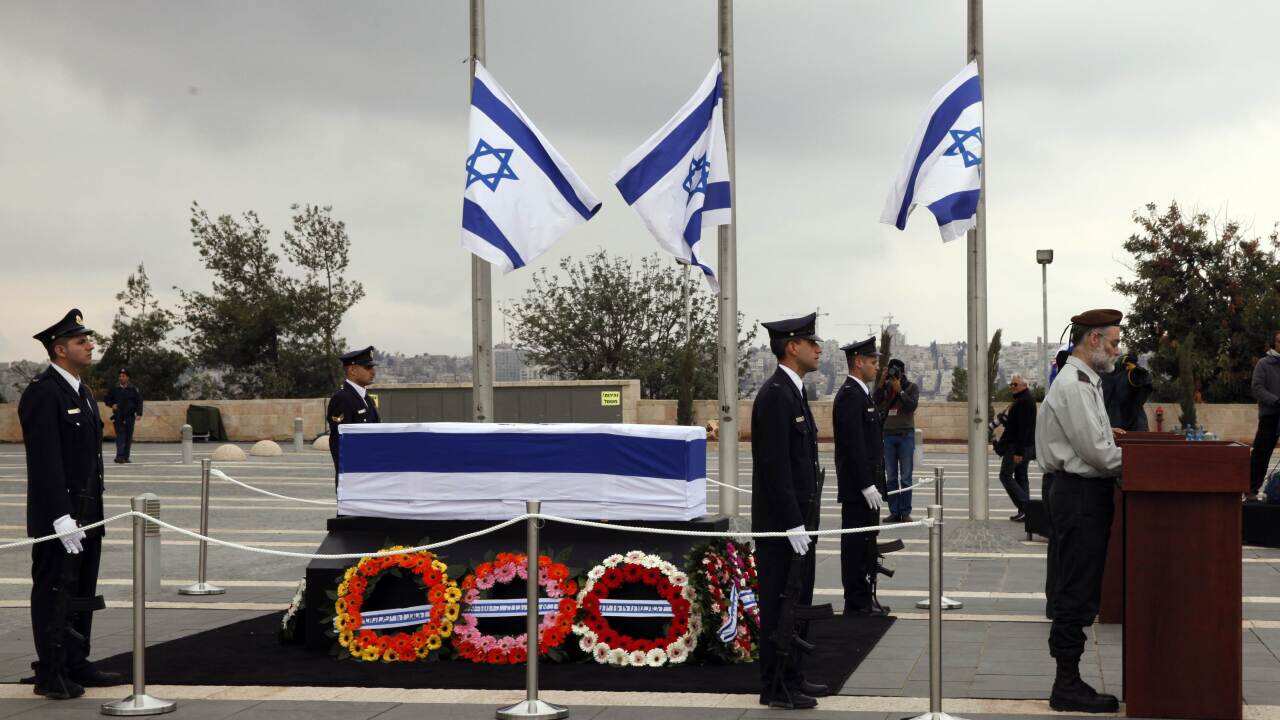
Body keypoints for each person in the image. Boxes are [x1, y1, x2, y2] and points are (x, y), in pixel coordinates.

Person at [18, 309, 122, 699]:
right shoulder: (43, 393)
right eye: (81, 342)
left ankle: (77, 660)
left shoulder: (82, 390)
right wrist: (59, 515)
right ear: (59, 349)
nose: (90, 345)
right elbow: (45, 460)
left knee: (81, 589)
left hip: (88, 511)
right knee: (54, 590)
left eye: (88, 339)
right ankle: (51, 671)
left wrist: (86, 513)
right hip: (59, 515)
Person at [1035, 309, 1125, 713]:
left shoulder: (1086, 381)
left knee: (1081, 587)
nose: (1117, 350)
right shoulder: (1073, 385)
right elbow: (1099, 454)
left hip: (1084, 493)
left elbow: (1097, 441)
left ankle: (1069, 679)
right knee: (1076, 590)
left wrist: (1115, 441)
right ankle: (1066, 684)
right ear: (1093, 340)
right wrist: (1142, 462)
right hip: (1079, 495)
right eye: (1113, 342)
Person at [751, 312, 827, 710]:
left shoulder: (793, 392)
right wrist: (792, 521)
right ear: (792, 347)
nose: (819, 348)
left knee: (796, 599)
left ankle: (793, 674)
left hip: (799, 522)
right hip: (782, 526)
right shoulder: (776, 394)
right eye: (811, 341)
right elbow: (774, 465)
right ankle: (776, 685)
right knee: (779, 601)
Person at [834, 336, 890, 616]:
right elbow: (852, 445)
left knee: (866, 545)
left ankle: (863, 599)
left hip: (868, 488)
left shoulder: (861, 394)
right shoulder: (849, 396)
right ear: (858, 362)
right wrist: (866, 484)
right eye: (872, 361)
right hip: (859, 490)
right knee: (855, 547)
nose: (877, 366)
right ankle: (856, 602)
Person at [327, 346, 381, 489]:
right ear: (352, 370)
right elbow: (341, 442)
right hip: (353, 476)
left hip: (368, 473)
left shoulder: (366, 398)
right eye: (367, 368)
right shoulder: (342, 398)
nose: (373, 372)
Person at [873, 358, 918, 522]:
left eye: (896, 371)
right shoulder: (885, 387)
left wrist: (900, 391)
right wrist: (881, 380)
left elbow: (912, 406)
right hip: (888, 435)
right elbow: (874, 401)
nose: (893, 375)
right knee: (891, 476)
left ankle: (905, 512)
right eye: (891, 371)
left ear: (902, 372)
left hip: (906, 435)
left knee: (906, 477)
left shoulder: (912, 387)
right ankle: (894, 511)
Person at [997, 374, 1036, 522]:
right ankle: (1025, 512)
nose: (1012, 387)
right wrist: (1005, 420)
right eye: (1011, 385)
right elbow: (1016, 426)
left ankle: (1027, 508)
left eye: (1015, 385)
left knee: (1005, 475)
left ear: (1024, 385)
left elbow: (1023, 429)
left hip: (1017, 447)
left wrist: (1019, 451)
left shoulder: (1024, 402)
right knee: (1021, 476)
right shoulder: (1023, 400)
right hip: (1023, 446)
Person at [1249, 331, 1280, 497]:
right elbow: (1257, 388)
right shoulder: (1263, 364)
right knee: (1261, 454)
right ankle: (1252, 490)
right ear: (1275, 343)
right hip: (1270, 416)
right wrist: (1275, 401)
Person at [1101, 352, 1152, 432]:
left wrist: (1136, 370)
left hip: (1134, 424)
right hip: (1115, 424)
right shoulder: (1105, 376)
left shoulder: (1132, 373)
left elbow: (1145, 380)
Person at [103, 368, 143, 464]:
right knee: (120, 436)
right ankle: (119, 456)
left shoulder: (133, 389)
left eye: (123, 376)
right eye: (120, 376)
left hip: (130, 417)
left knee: (128, 437)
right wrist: (112, 404)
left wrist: (139, 413)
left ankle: (126, 457)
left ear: (128, 378)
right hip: (119, 416)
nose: (121, 378)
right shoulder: (114, 389)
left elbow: (139, 401)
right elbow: (107, 399)